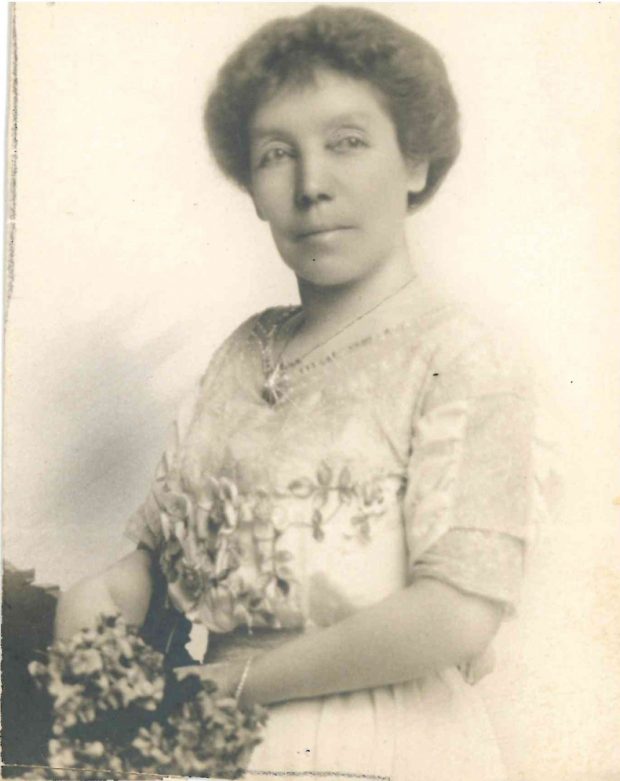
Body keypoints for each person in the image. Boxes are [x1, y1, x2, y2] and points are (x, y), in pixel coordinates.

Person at [55, 6, 541, 780]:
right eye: (277, 155)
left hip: (384, 742)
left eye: (348, 143)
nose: (312, 186)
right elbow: (148, 565)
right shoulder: (243, 352)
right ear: (251, 185)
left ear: (414, 163)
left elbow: (457, 611)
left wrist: (236, 684)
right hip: (214, 742)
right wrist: (91, 615)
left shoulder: (456, 354)